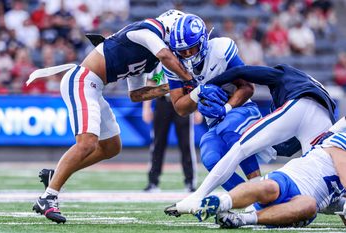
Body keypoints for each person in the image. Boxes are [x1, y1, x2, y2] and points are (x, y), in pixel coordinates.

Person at [27, 9, 192, 224]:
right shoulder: (148, 29)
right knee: (87, 143)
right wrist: (188, 78)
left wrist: (170, 87)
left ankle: (55, 175)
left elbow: (136, 94)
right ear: (171, 26)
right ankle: (47, 197)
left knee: (112, 147)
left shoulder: (151, 57)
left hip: (95, 87)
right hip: (82, 80)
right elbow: (164, 54)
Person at [164, 64, 336, 218]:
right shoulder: (312, 85)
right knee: (318, 186)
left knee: (240, 147)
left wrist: (210, 84)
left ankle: (197, 197)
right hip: (324, 119)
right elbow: (288, 148)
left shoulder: (283, 74)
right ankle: (340, 204)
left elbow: (241, 71)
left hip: (301, 105)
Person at [164, 14, 267, 194]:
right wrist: (198, 92)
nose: (187, 55)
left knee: (229, 129)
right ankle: (250, 198)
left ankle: (257, 185)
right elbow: (180, 108)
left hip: (242, 110)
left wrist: (226, 108)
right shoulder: (174, 63)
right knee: (210, 158)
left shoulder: (220, 50)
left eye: (191, 48)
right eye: (182, 51)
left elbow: (248, 87)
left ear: (203, 40)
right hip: (214, 122)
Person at [193, 116, 346, 228]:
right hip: (290, 179)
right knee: (270, 187)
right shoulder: (340, 141)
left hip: (299, 206)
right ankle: (219, 203)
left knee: (310, 205)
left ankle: (241, 219)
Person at [142, 64, 200, 192]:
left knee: (186, 144)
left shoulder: (184, 59)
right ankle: (153, 181)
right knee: (158, 143)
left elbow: (194, 84)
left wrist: (197, 109)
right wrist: (146, 108)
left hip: (183, 100)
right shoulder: (158, 60)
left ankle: (190, 182)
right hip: (163, 102)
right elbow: (151, 82)